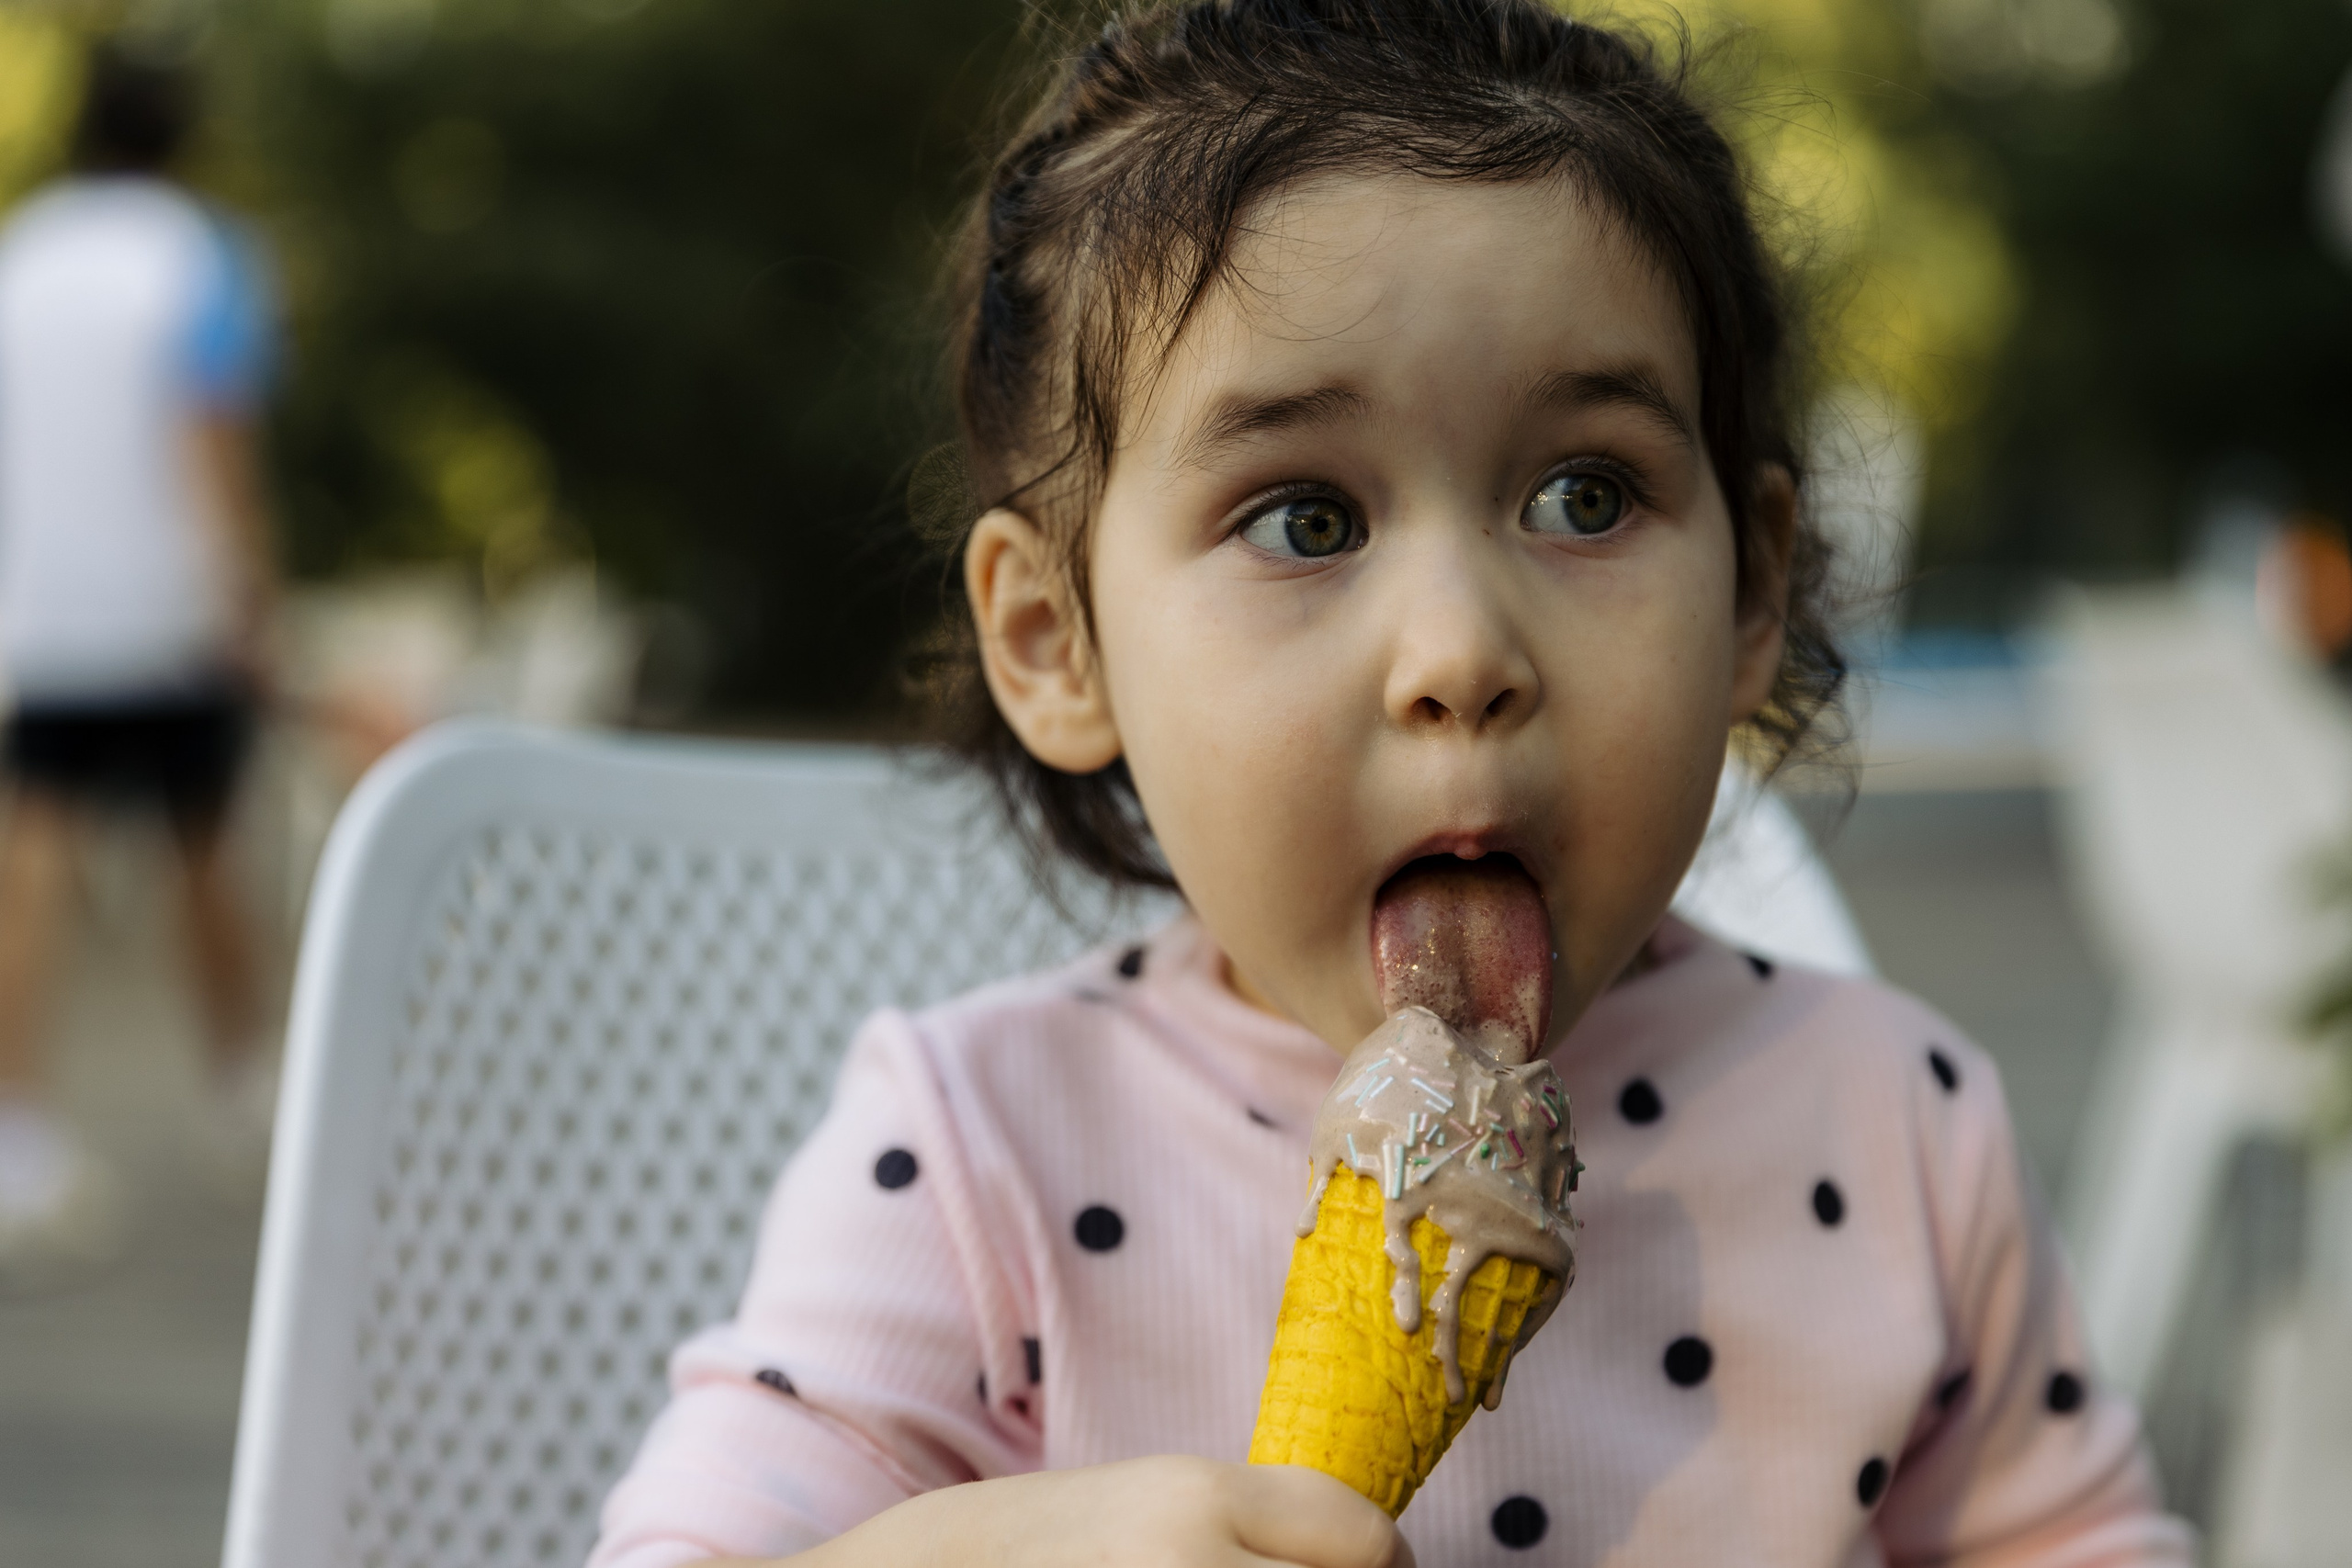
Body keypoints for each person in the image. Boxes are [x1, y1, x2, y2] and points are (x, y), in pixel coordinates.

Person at [588, 3, 2192, 1562]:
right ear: (1055, 639)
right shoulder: (974, 1153)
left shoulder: (1901, 1128)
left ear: (1753, 590)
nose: (1460, 651)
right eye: (1305, 519)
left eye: (1584, 494)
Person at [0, 45, 280, 1279]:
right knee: (207, 848)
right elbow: (209, 427)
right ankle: (247, 1094)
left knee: (34, 862)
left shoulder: (23, 254)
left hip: (44, 616)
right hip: (169, 616)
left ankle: (18, 1136)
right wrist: (247, 592)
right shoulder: (200, 252)